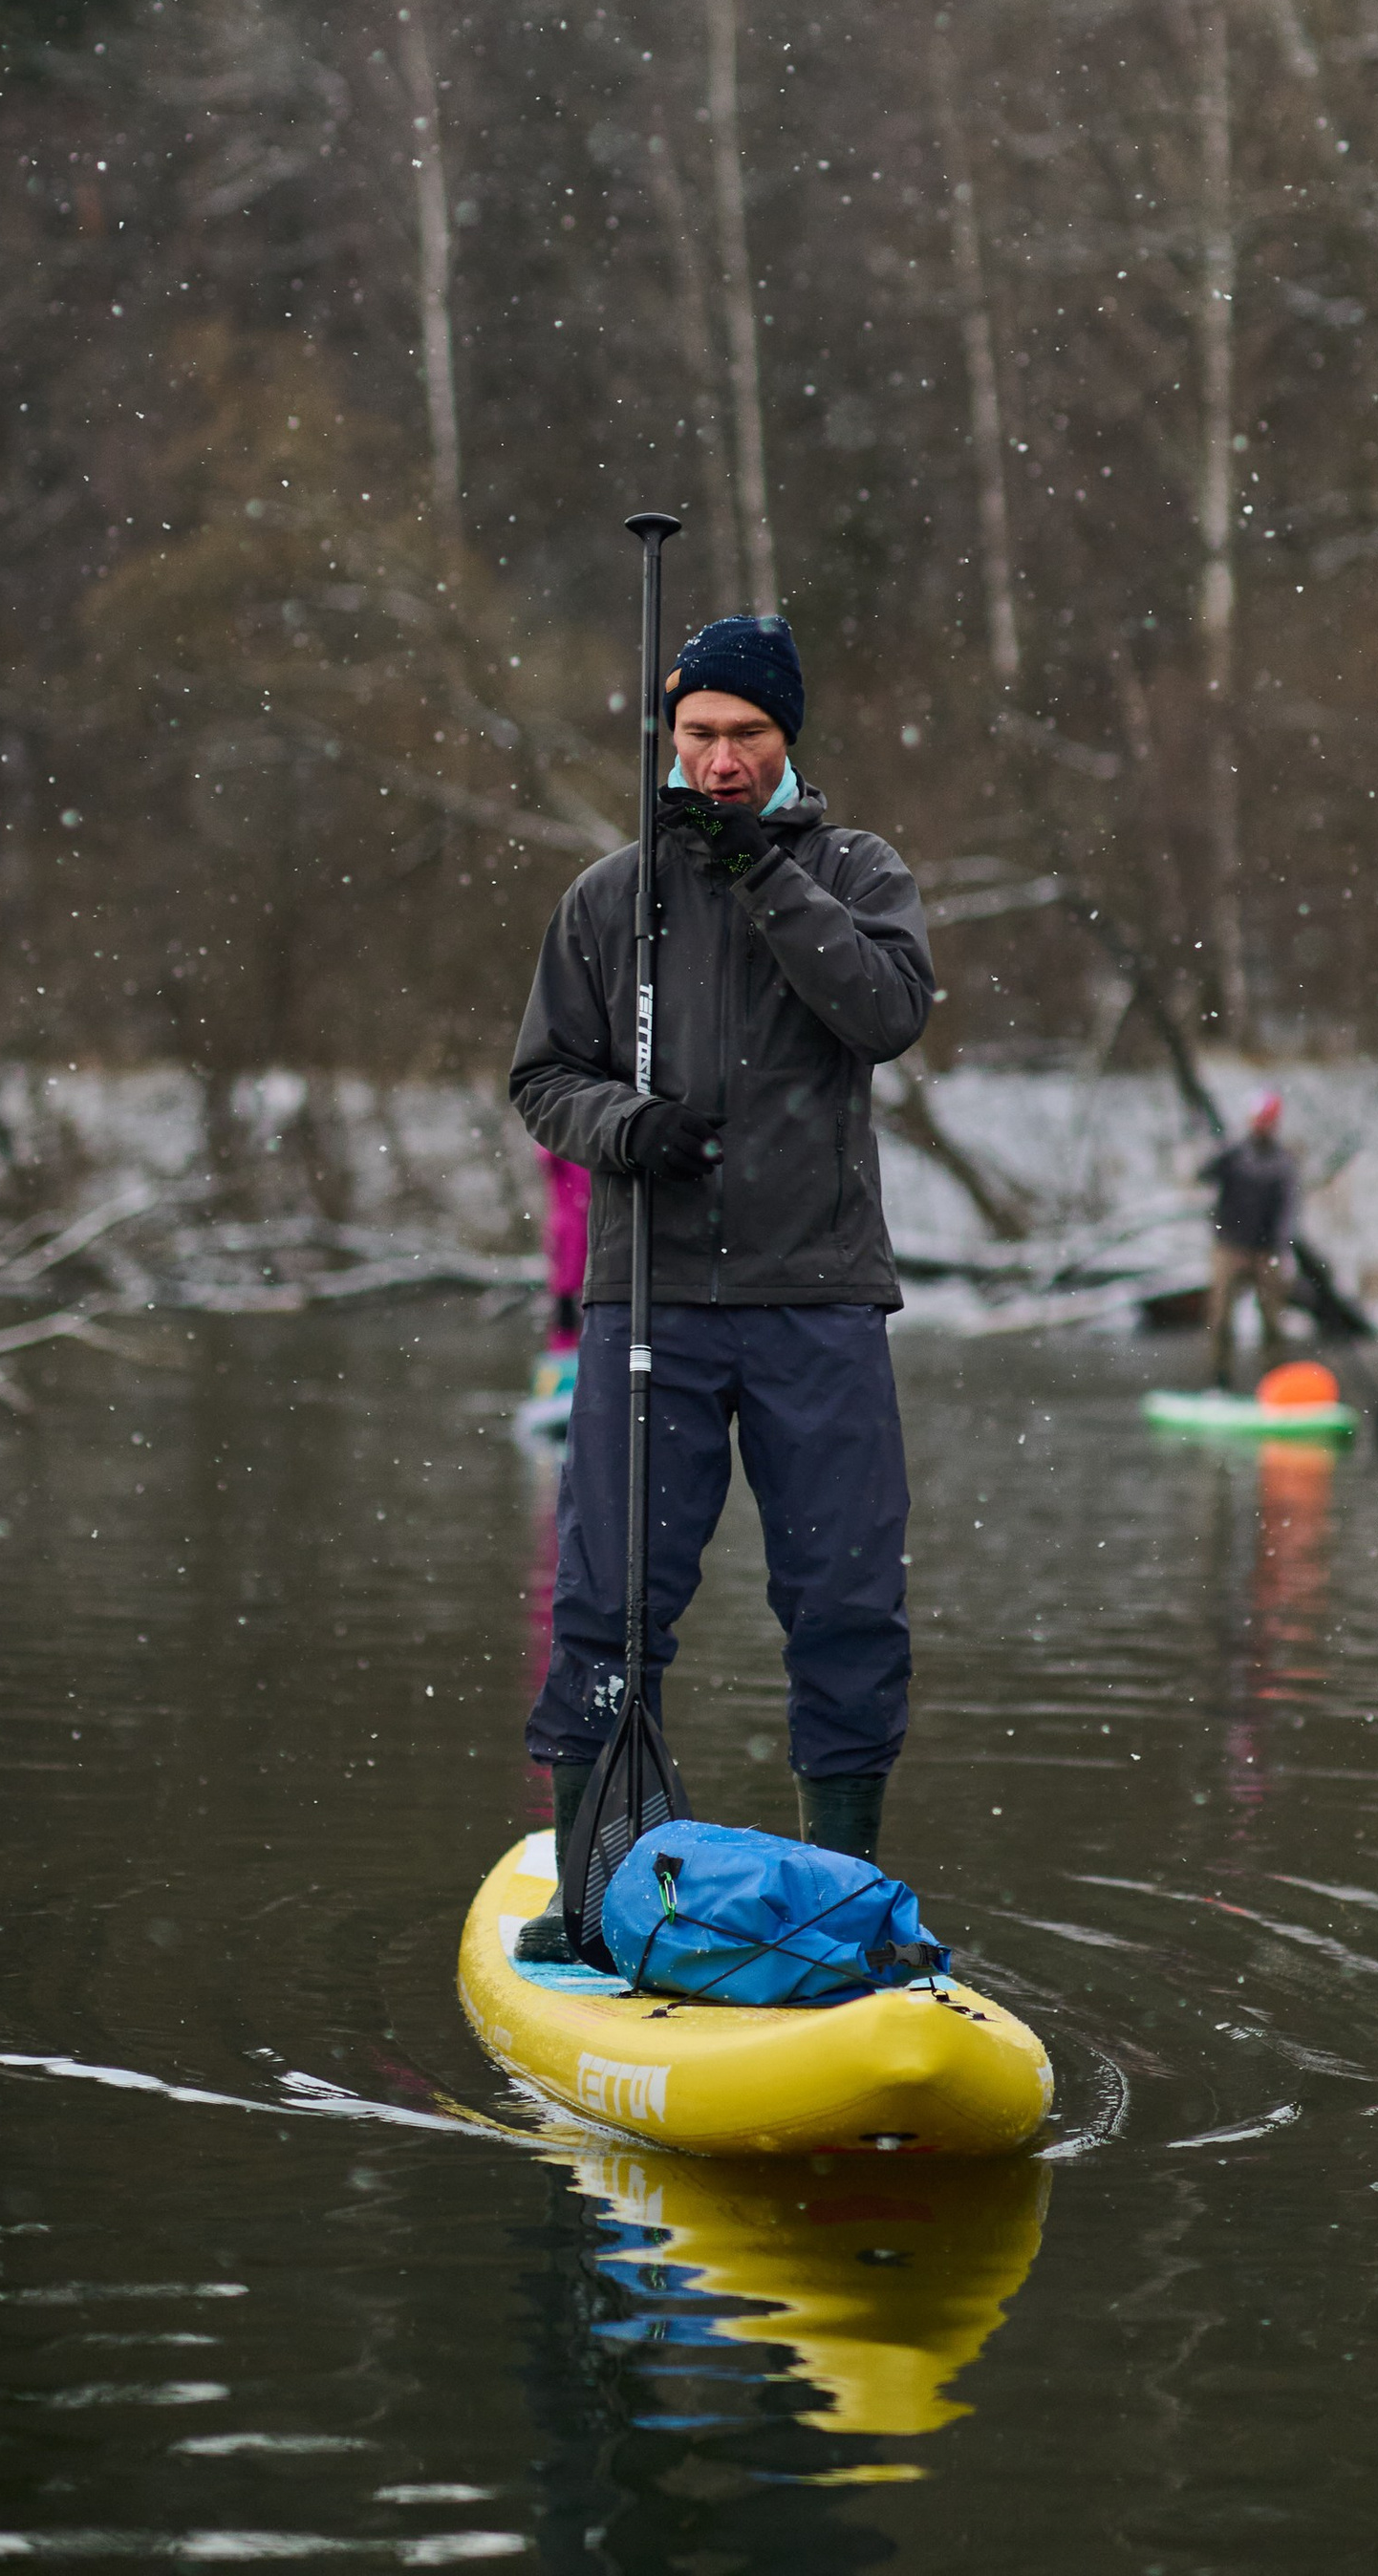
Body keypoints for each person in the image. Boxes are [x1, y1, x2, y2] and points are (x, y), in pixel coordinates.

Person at [507, 607, 935, 1958]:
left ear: (786, 740)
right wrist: (621, 1130)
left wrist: (761, 872)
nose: (720, 759)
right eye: (698, 736)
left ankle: (844, 1906)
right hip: (652, 1304)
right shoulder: (608, 897)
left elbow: (885, 1012)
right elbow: (541, 1079)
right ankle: (586, 1898)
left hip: (819, 1296)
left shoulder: (859, 871)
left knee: (848, 1605)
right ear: (668, 738)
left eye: (746, 736)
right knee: (610, 1606)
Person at [1200, 1091, 1299, 1389]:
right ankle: (1219, 1383)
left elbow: (1288, 1209)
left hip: (1265, 1252)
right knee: (1220, 1321)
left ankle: (1274, 1385)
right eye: (1259, 1120)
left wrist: (1278, 1249)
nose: (1263, 1126)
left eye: (1268, 1121)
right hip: (1229, 1248)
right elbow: (1201, 1175)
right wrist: (1219, 1153)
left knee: (1272, 1324)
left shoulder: (1282, 1163)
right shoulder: (1232, 1156)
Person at [534, 1146, 590, 1352]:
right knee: (564, 1300)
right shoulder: (564, 1145)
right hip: (568, 1236)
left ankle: (583, 1351)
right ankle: (562, 1355)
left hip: (595, 1233)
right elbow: (546, 1151)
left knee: (589, 1301)